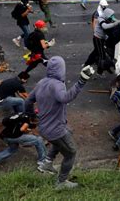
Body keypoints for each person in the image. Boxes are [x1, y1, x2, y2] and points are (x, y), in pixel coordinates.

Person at [26, 58, 95, 189]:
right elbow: (65, 98)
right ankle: (61, 182)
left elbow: (28, 101)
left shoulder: (42, 82)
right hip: (54, 130)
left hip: (45, 127)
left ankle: (47, 162)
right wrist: (81, 81)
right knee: (71, 153)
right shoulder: (57, 85)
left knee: (68, 131)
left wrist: (32, 116)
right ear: (61, 69)